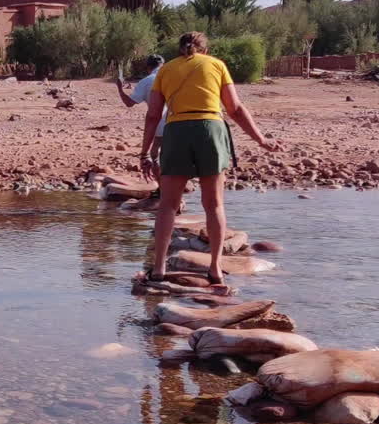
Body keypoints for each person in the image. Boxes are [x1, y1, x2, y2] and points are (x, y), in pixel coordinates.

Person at [140, 32, 279, 285]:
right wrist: (261, 140)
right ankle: (214, 269)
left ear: (179, 49)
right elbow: (234, 109)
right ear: (204, 49)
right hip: (210, 130)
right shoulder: (217, 65)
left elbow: (152, 115)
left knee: (168, 205)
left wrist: (145, 151)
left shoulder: (166, 70)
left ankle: (159, 268)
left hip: (177, 131)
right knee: (214, 204)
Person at [116, 54, 167, 167]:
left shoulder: (146, 81)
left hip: (160, 126)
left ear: (148, 67)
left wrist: (120, 88)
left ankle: (162, 184)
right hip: (183, 123)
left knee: (155, 156)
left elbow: (129, 103)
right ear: (163, 65)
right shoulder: (174, 77)